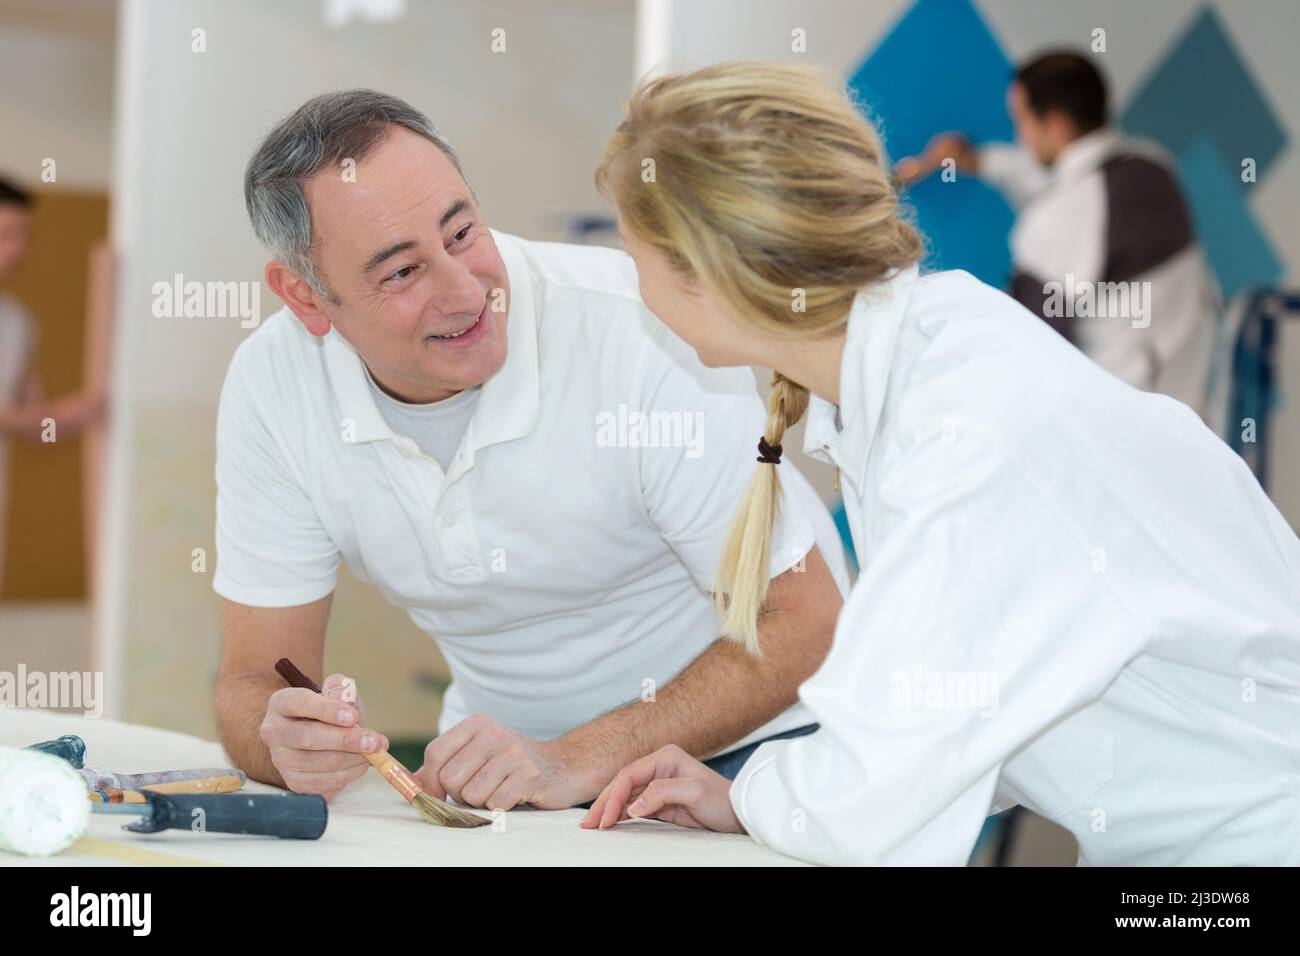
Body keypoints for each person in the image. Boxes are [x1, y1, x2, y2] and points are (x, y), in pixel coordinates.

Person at [581, 60, 1300, 866]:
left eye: (634, 257)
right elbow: (951, 715)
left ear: (713, 274)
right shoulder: (924, 363)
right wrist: (754, 798)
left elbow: (878, 797)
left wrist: (764, 792)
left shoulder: (959, 422)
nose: (630, 285)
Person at [215, 90, 849, 812]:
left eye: (461, 234)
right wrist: (279, 740)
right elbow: (253, 675)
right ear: (304, 298)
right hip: (501, 783)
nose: (464, 294)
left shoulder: (640, 326)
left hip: (765, 756)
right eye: (401, 272)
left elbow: (809, 620)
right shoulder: (273, 386)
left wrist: (577, 760)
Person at [896, 51, 1218, 418]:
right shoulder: (1152, 164)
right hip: (1189, 401)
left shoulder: (1059, 220)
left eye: (1022, 121)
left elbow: (1029, 355)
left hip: (1126, 428)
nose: (1020, 136)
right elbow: (1065, 185)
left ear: (1056, 127)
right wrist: (981, 161)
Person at [0, 177, 104, 585]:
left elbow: (39, 426)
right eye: (7, 234)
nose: (19, 250)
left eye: (25, 236)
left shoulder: (17, 322)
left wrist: (98, 406)